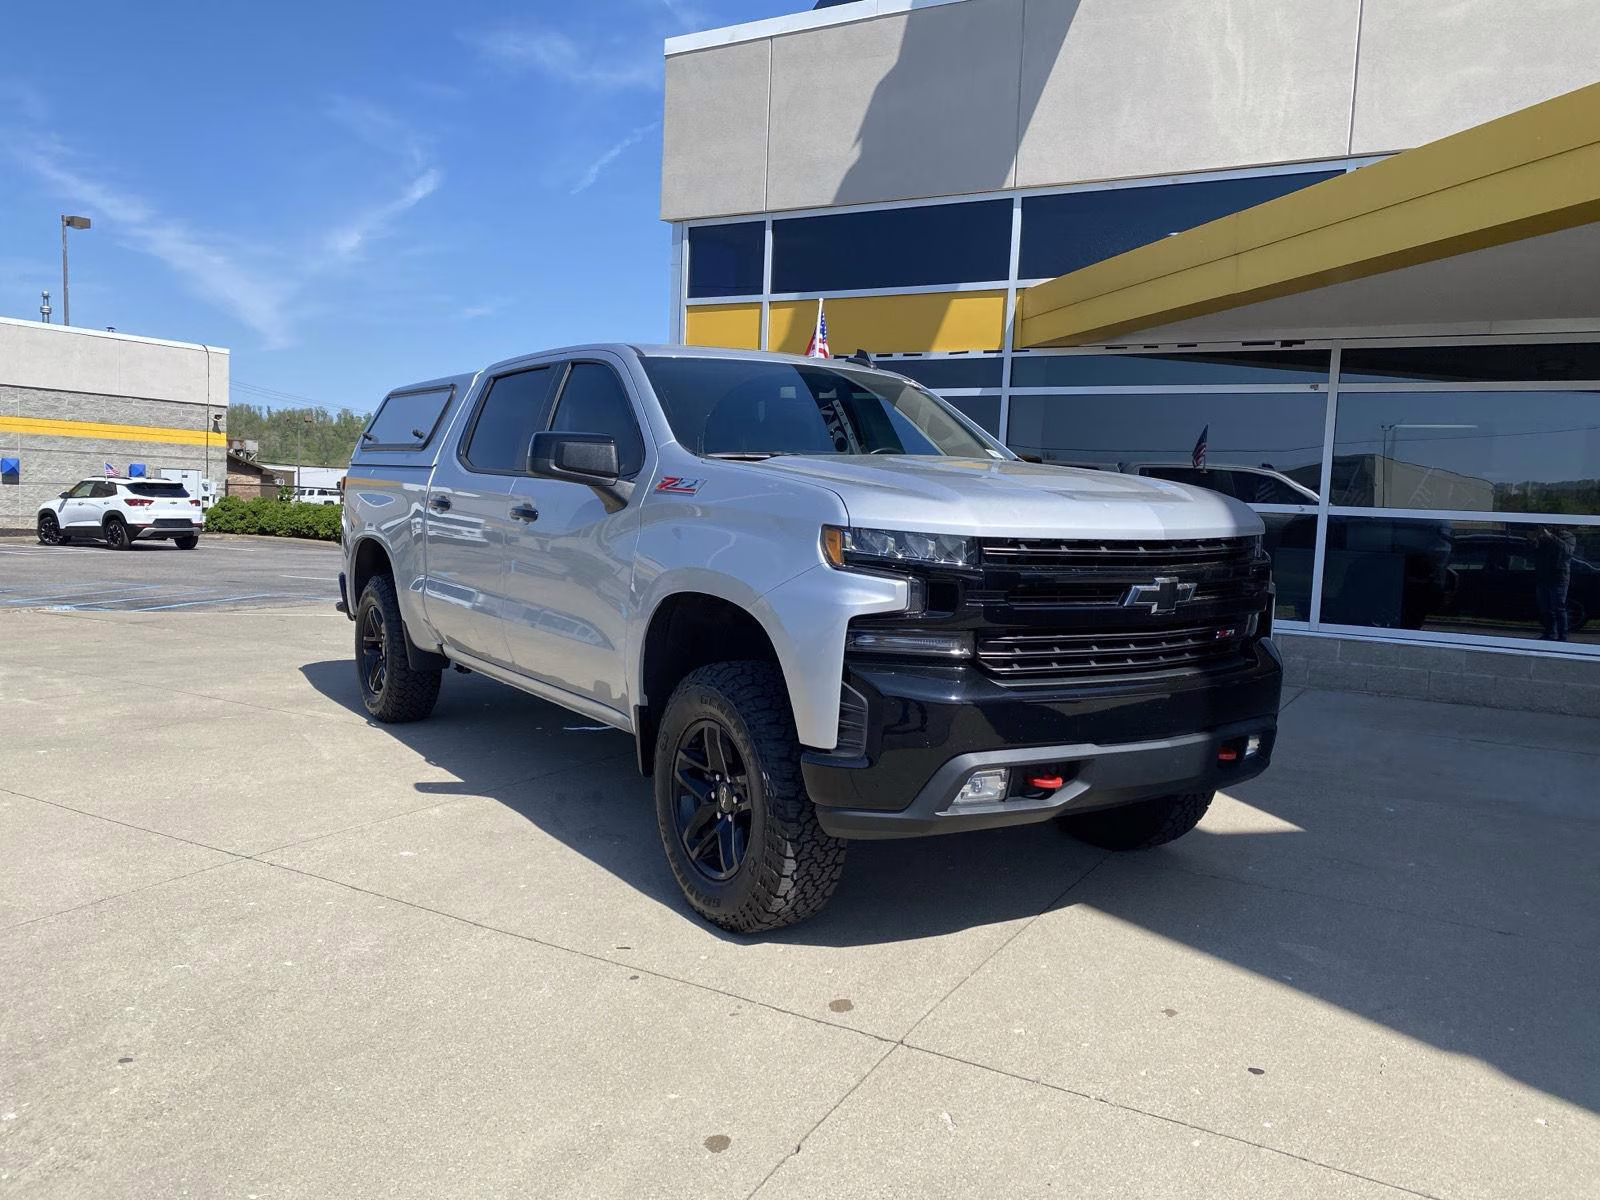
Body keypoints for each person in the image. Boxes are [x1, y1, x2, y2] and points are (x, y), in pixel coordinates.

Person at [1532, 526, 1577, 641]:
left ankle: (1563, 635)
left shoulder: (1568, 537)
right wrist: (1532, 540)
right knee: (1545, 607)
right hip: (1543, 576)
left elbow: (1567, 551)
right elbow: (1532, 553)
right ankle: (1549, 632)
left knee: (1558, 607)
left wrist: (1551, 537)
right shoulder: (1543, 538)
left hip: (1559, 577)